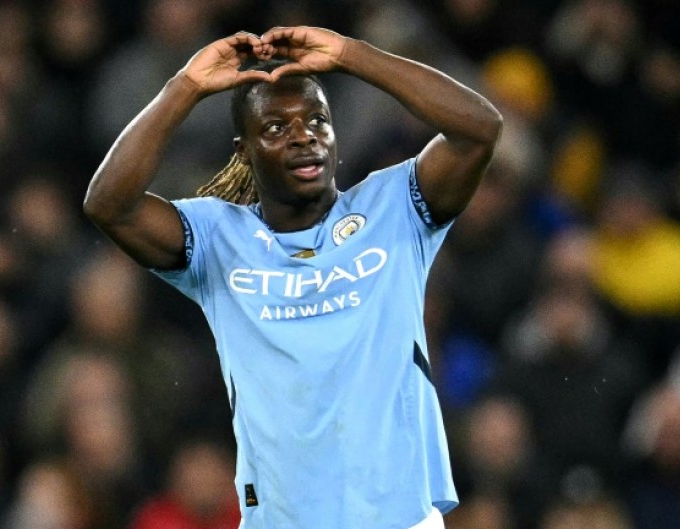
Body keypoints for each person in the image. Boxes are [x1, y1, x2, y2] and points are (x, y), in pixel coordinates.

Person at [83, 26, 502, 529]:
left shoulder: (394, 207)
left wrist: (353, 56)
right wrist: (185, 87)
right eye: (276, 128)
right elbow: (108, 204)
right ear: (244, 151)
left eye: (317, 121)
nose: (304, 135)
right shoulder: (217, 236)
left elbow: (480, 127)